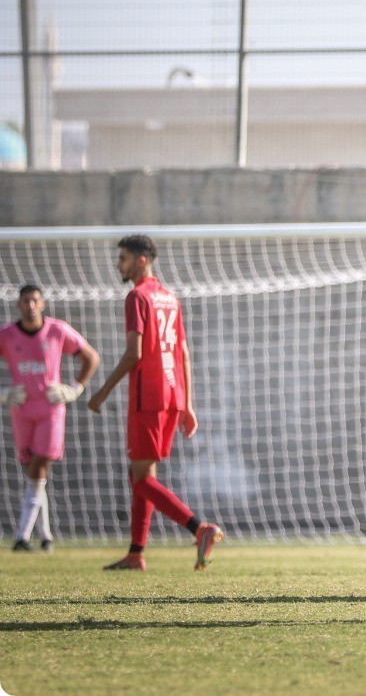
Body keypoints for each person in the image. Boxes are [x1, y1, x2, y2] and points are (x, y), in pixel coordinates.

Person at [87, 235, 223, 572]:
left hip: (147, 396)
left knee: (142, 479)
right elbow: (183, 353)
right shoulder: (170, 298)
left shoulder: (137, 297)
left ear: (141, 260)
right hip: (172, 394)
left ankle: (200, 528)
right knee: (143, 474)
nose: (118, 264)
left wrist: (103, 391)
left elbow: (134, 353)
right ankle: (136, 553)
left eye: (123, 258)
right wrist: (187, 404)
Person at [1, 285, 100, 551]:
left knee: (39, 468)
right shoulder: (6, 335)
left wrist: (75, 388)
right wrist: (3, 393)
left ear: (42, 304)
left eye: (35, 300)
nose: (30, 306)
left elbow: (91, 357)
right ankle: (46, 537)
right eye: (25, 301)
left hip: (51, 410)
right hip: (22, 410)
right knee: (34, 474)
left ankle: (22, 537)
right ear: (19, 305)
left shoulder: (57, 330)